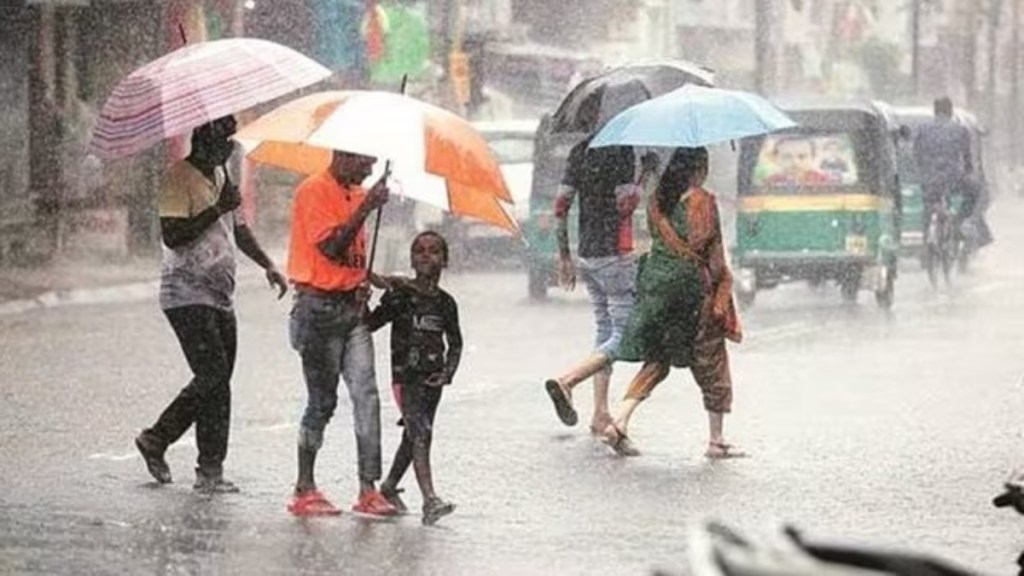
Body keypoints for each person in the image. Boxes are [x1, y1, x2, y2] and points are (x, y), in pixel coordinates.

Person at [134, 116, 288, 493]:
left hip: (220, 294)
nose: (229, 150)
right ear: (204, 142)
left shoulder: (221, 176)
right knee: (213, 373)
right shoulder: (178, 178)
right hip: (185, 293)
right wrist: (216, 209)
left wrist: (267, 264)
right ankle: (157, 437)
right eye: (224, 143)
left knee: (220, 382)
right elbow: (173, 236)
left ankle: (210, 470)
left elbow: (239, 229)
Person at [601, 147, 744, 458]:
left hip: (656, 287)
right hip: (690, 290)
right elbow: (712, 252)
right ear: (699, 168)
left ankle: (620, 420)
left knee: (657, 359)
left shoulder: (655, 201)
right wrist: (722, 288)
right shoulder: (703, 202)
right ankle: (716, 441)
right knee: (711, 361)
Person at [285, 150, 398, 518]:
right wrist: (366, 207)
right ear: (343, 155)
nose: (369, 170)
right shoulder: (313, 190)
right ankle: (304, 487)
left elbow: (351, 259)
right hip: (318, 309)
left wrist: (364, 280)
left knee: (367, 396)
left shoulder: (355, 193)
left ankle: (369, 488)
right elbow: (331, 249)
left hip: (353, 310)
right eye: (365, 161)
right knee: (323, 402)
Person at [543, 135, 647, 435]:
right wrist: (646, 175)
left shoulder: (580, 150)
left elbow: (561, 205)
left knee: (604, 332)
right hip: (614, 254)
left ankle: (600, 413)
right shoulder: (621, 148)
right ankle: (568, 381)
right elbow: (625, 205)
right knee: (623, 334)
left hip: (587, 255)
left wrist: (564, 256)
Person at [368, 231, 463, 526]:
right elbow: (371, 323)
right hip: (405, 378)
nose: (426, 256)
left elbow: (456, 343)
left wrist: (447, 373)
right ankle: (430, 500)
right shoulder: (401, 295)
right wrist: (363, 299)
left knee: (415, 437)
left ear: (444, 260)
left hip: (432, 380)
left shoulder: (446, 303)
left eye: (434, 251)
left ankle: (388, 487)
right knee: (420, 432)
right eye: (419, 251)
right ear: (411, 258)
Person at [912, 96, 987, 245]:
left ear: (934, 111)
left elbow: (916, 154)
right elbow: (967, 158)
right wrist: (968, 170)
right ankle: (963, 222)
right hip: (952, 178)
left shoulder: (922, 129)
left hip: (929, 179)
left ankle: (926, 234)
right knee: (976, 191)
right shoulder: (960, 130)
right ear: (950, 111)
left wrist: (922, 171)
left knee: (929, 201)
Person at [764, 136, 830, 187]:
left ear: (812, 157)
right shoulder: (771, 181)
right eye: (787, 157)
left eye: (802, 156)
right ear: (776, 159)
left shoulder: (824, 180)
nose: (795, 162)